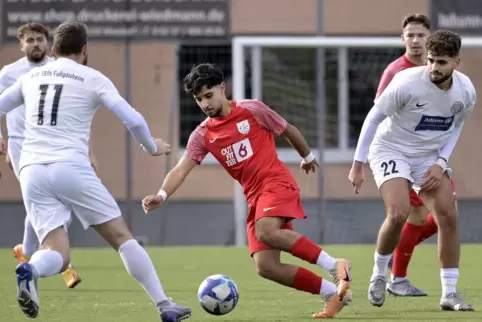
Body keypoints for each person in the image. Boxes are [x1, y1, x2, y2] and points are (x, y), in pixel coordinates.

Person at [0, 21, 191, 322]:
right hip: (71, 166)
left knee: (57, 251)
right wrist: (150, 147)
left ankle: (31, 269)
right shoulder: (92, 78)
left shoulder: (31, 76)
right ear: (85, 50)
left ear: (53, 49)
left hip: (31, 170)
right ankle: (164, 305)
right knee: (121, 238)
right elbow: (134, 119)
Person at [142, 63, 352, 319]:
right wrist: (161, 195)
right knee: (266, 267)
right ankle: (333, 294)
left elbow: (288, 130)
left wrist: (307, 157)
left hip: (276, 184)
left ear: (222, 88)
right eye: (199, 99)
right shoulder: (202, 135)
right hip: (255, 198)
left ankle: (334, 265)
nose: (205, 104)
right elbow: (180, 169)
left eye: (208, 96)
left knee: (266, 230)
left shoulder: (253, 110)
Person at [349, 29, 475, 311]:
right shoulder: (406, 82)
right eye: (430, 60)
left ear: (456, 62)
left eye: (441, 62)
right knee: (398, 213)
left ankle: (450, 294)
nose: (433, 67)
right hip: (390, 149)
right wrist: (358, 164)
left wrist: (440, 162)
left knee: (448, 215)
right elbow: (373, 119)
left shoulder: (466, 91)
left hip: (428, 156)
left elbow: (456, 126)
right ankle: (379, 275)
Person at [0, 22, 84, 289]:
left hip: (54, 141)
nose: (36, 44)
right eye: (31, 40)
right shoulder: (9, 73)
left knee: (49, 199)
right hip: (21, 143)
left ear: (49, 43)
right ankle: (63, 263)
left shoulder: (58, 68)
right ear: (21, 45)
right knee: (43, 199)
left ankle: (27, 250)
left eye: (40, 40)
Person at [375, 13, 448, 297]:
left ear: (430, 38)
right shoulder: (395, 71)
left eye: (421, 35)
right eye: (411, 35)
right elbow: (378, 114)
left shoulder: (439, 70)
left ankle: (397, 258)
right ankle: (397, 277)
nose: (416, 41)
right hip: (403, 156)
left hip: (431, 155)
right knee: (419, 217)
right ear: (402, 39)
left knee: (441, 217)